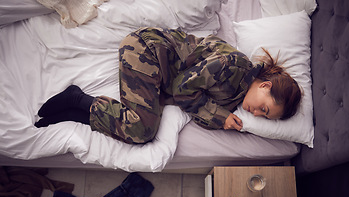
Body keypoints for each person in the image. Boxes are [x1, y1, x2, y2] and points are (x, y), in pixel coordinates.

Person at [35, 27, 302, 144]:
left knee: (140, 131)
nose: (255, 114)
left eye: (262, 116)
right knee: (142, 130)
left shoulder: (236, 98)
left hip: (160, 77)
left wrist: (223, 120)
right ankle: (76, 101)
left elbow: (197, 114)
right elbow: (183, 89)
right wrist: (219, 115)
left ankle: (76, 113)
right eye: (264, 109)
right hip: (147, 50)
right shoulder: (233, 65)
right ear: (265, 85)